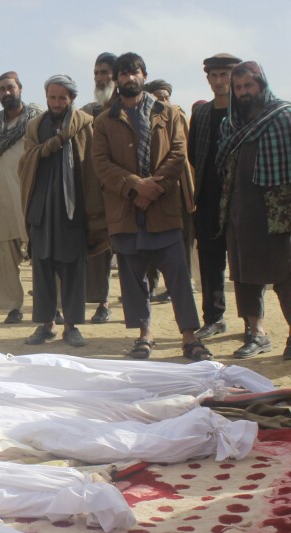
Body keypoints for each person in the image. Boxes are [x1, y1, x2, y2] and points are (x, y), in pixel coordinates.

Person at [91, 52, 210, 361]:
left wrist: (153, 187)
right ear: (116, 80)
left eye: (134, 72)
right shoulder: (104, 120)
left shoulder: (167, 113)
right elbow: (101, 163)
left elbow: (178, 153)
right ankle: (145, 335)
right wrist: (134, 185)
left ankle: (189, 336)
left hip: (162, 208)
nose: (128, 78)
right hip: (126, 211)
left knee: (178, 275)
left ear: (143, 75)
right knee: (132, 279)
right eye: (123, 74)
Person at [17, 75, 106, 347]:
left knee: (73, 269)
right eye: (53, 97)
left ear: (71, 99)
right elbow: (26, 162)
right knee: (42, 267)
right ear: (46, 97)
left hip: (73, 209)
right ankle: (46, 325)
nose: (57, 103)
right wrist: (47, 148)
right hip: (42, 208)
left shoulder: (85, 125)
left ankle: (72, 326)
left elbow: (92, 167)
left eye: (62, 98)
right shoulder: (35, 126)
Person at [216, 61, 291, 361]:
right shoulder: (229, 125)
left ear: (262, 85)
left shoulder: (284, 117)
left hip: (279, 211)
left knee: (286, 277)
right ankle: (256, 333)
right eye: (239, 87)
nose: (244, 92)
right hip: (241, 210)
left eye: (249, 85)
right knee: (246, 277)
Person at [189, 53, 242, 340]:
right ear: (208, 78)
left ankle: (252, 324)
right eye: (215, 75)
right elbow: (194, 155)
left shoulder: (247, 113)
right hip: (208, 198)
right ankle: (214, 318)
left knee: (245, 265)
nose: (220, 81)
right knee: (210, 263)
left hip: (240, 200)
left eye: (226, 75)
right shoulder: (201, 114)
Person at [0, 72, 44, 324]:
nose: (6, 93)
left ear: (20, 88)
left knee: (42, 248)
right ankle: (13, 307)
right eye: (1, 89)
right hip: (1, 195)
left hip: (32, 191)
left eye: (10, 87)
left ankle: (49, 303)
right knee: (5, 252)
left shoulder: (36, 117)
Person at [144, 79, 197, 303]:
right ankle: (151, 284)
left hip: (180, 190)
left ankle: (181, 286)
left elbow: (182, 156)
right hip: (149, 191)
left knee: (181, 242)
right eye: (157, 96)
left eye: (165, 96)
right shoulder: (144, 120)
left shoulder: (178, 117)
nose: (162, 101)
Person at [81, 52, 117, 323]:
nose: (100, 78)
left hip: (128, 191)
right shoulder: (87, 113)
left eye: (105, 72)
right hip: (99, 194)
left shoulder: (127, 108)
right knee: (101, 249)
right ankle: (102, 302)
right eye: (97, 73)